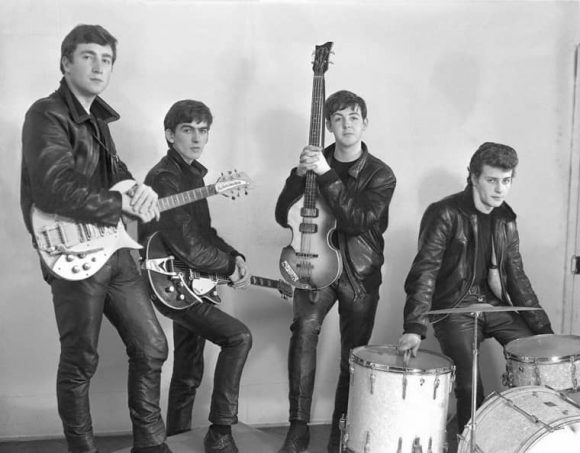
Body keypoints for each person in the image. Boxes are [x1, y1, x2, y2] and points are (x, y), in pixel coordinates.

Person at [20, 25, 171, 452]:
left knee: (152, 345)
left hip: (113, 245)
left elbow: (113, 176)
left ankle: (150, 443)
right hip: (70, 250)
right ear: (66, 63)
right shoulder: (45, 114)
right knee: (81, 360)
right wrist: (118, 204)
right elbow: (53, 187)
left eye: (106, 59)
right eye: (88, 56)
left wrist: (137, 190)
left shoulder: (100, 121)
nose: (99, 66)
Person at [397, 142, 554, 434]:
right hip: (454, 307)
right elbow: (425, 270)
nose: (500, 189)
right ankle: (470, 439)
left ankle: (518, 437)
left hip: (494, 305)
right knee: (469, 386)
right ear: (473, 177)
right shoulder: (444, 213)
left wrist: (544, 333)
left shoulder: (505, 218)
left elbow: (517, 277)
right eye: (491, 180)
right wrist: (414, 326)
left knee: (535, 363)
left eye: (506, 181)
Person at [275, 90, 397, 453]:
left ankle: (340, 435)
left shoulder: (381, 174)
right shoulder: (313, 165)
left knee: (353, 356)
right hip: (313, 263)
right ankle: (297, 428)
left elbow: (358, 220)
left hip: (359, 274)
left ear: (365, 123)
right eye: (339, 118)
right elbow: (284, 215)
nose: (347, 125)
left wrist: (326, 174)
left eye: (354, 118)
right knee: (304, 331)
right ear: (327, 125)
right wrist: (298, 176)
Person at [140, 100, 253, 453]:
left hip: (187, 282)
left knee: (188, 372)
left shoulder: (191, 175)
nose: (197, 138)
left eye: (203, 130)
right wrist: (226, 267)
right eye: (188, 129)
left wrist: (234, 256)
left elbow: (203, 233)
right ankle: (220, 432)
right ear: (170, 134)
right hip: (171, 282)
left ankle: (176, 439)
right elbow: (188, 246)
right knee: (238, 338)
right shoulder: (164, 177)